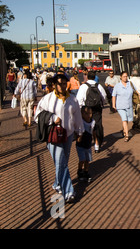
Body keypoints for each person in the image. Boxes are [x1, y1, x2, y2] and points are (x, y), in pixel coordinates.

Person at [34, 74, 84, 203]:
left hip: (68, 135)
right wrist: (52, 118)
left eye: (64, 83)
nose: (62, 86)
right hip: (53, 136)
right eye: (59, 83)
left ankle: (57, 183)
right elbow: (37, 116)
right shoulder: (48, 99)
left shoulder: (73, 99)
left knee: (62, 162)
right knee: (61, 162)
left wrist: (80, 131)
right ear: (54, 85)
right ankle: (68, 192)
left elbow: (77, 117)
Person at [76, 70, 106, 153]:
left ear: (87, 77)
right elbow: (104, 96)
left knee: (87, 126)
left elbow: (79, 99)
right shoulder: (99, 86)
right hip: (97, 109)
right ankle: (97, 145)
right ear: (95, 77)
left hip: (87, 109)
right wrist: (102, 104)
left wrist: (80, 109)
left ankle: (87, 143)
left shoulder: (83, 86)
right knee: (97, 125)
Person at [112, 71, 134, 142]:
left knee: (126, 120)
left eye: (126, 76)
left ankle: (124, 130)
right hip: (120, 106)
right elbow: (114, 96)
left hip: (129, 105)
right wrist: (113, 105)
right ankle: (127, 135)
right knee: (124, 119)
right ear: (120, 77)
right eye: (124, 76)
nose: (125, 78)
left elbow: (136, 91)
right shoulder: (117, 86)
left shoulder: (130, 84)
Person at [76, 106, 95, 182]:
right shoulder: (80, 122)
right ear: (82, 114)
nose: (88, 115)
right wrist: (78, 138)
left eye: (90, 113)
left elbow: (94, 131)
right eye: (86, 113)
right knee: (82, 159)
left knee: (87, 160)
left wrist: (96, 140)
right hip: (80, 144)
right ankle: (80, 171)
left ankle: (86, 172)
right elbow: (76, 131)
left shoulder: (93, 122)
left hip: (88, 144)